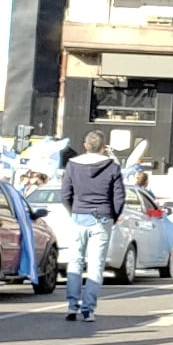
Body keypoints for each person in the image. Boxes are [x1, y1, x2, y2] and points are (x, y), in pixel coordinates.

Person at [60, 130, 124, 323]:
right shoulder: (112, 167)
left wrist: (74, 211)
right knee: (96, 265)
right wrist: (114, 215)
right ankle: (88, 309)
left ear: (85, 146)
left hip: (80, 215)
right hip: (103, 218)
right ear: (103, 148)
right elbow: (119, 196)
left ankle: (72, 306)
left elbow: (64, 194)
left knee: (76, 261)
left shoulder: (72, 165)